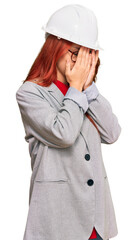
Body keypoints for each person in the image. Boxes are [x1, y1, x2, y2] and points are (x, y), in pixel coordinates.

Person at [16, 4, 121, 240]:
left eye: (88, 55)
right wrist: (76, 88)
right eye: (76, 52)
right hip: (58, 221)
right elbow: (63, 134)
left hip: (96, 221)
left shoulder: (86, 92)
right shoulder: (30, 93)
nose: (81, 62)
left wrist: (88, 87)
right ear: (55, 48)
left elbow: (112, 133)